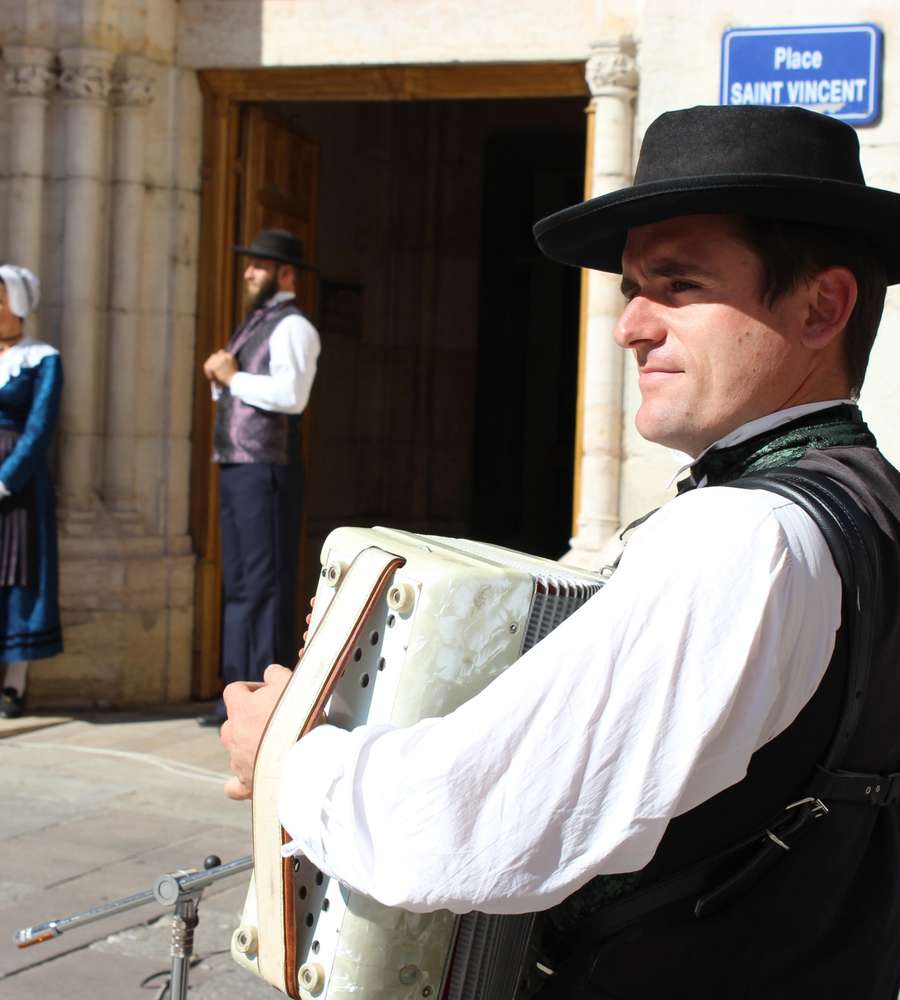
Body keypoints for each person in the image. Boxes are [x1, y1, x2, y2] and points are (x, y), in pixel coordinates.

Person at [220, 106, 900, 997]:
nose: (631, 326)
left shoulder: (747, 535)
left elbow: (464, 828)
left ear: (823, 306)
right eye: (632, 289)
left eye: (680, 285)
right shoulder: (869, 499)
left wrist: (287, 751)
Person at [197, 229, 320, 728]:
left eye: (259, 265)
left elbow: (292, 396)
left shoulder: (294, 326)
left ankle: (266, 698)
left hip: (267, 468)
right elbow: (242, 392)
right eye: (250, 265)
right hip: (237, 465)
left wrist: (230, 378)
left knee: (265, 585)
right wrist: (219, 380)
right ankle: (234, 695)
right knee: (241, 582)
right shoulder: (254, 322)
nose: (248, 272)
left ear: (285, 275)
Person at [0, 265, 63, 720]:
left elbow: (41, 425)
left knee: (17, 575)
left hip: (18, 484)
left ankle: (13, 684)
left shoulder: (43, 358)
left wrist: (7, 477)